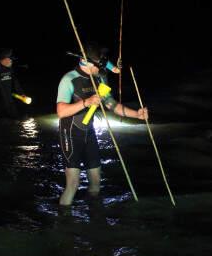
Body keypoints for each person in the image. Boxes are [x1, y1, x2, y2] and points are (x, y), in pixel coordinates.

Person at [56, 44, 148, 206]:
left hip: (89, 132)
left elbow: (111, 104)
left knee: (96, 184)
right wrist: (86, 102)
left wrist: (137, 114)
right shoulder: (69, 79)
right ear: (87, 63)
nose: (103, 67)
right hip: (70, 134)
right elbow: (61, 111)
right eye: (100, 65)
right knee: (73, 184)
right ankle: (63, 222)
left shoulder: (101, 78)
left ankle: (94, 218)